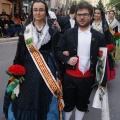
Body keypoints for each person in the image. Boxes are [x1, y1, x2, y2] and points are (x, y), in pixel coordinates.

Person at [3, 1, 63, 120]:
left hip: (46, 66)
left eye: (41, 10)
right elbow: (20, 51)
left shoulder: (52, 30)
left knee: (45, 96)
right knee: (25, 96)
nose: (38, 12)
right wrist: (16, 69)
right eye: (35, 10)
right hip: (28, 67)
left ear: (46, 12)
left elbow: (57, 50)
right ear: (32, 12)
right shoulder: (26, 29)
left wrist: (60, 70)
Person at [56, 1, 107, 120]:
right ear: (76, 15)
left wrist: (102, 82)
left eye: (85, 14)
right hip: (69, 77)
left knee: (82, 104)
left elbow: (102, 61)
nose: (82, 17)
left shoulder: (99, 37)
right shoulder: (68, 33)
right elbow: (58, 50)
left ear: (91, 15)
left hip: (87, 78)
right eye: (79, 14)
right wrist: (67, 59)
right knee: (67, 105)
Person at [91, 7, 115, 81]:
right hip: (90, 46)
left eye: (98, 13)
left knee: (100, 64)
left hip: (101, 47)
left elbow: (108, 36)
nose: (96, 15)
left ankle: (100, 80)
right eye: (95, 13)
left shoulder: (104, 24)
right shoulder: (90, 22)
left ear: (101, 15)